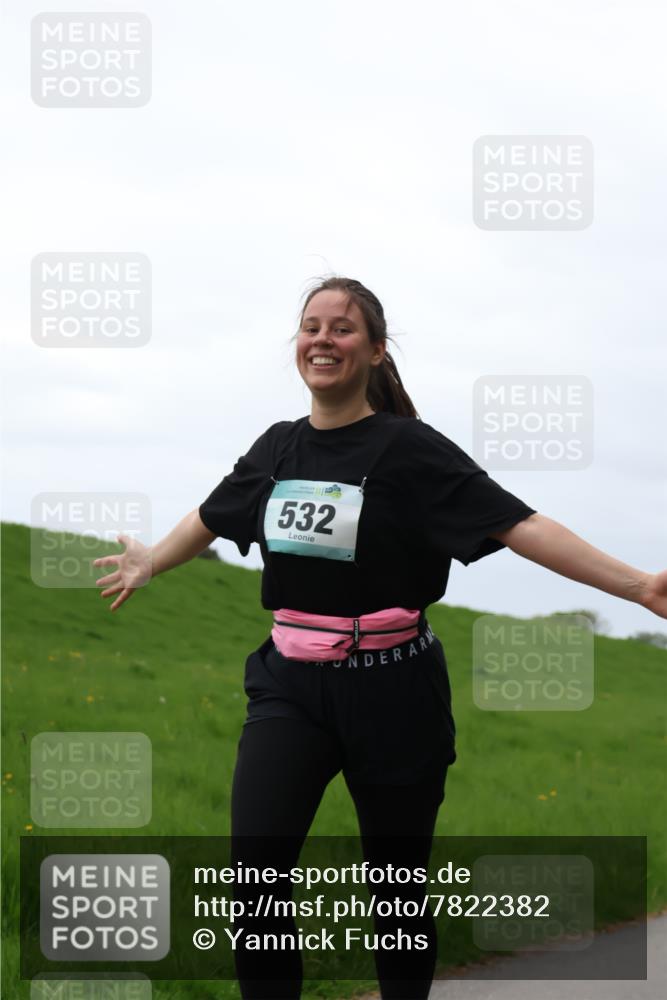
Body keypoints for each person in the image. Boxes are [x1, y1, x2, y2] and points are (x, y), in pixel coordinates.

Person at [93, 276, 667, 1000]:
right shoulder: (278, 447)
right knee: (255, 880)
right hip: (290, 687)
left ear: (374, 350)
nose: (322, 340)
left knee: (396, 892)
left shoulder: (408, 449)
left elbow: (518, 524)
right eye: (311, 326)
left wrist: (638, 587)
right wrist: (150, 561)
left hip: (396, 688)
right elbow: (211, 516)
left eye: (341, 328)